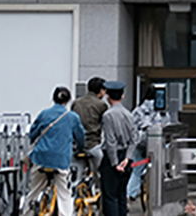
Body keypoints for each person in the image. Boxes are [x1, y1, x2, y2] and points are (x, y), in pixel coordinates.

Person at [26, 87, 87, 216]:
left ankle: (27, 211)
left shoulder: (44, 114)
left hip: (40, 157)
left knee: (34, 190)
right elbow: (80, 136)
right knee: (64, 194)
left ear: (53, 98)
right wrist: (80, 148)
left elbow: (33, 133)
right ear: (68, 100)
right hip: (61, 160)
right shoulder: (72, 117)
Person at [99, 82, 133, 216]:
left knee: (110, 196)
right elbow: (134, 138)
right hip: (125, 156)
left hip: (112, 157)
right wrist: (128, 158)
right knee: (121, 194)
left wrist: (114, 163)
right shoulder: (128, 114)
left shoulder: (108, 115)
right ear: (122, 96)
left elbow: (110, 141)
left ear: (108, 97)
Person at [127, 96, 166, 201]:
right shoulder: (161, 110)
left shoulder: (139, 109)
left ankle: (130, 193)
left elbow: (131, 126)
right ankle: (158, 194)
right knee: (159, 168)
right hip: (156, 144)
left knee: (136, 171)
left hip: (138, 143)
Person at [71, 78, 108, 174]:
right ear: (101, 91)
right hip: (93, 144)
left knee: (76, 174)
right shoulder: (101, 105)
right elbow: (106, 124)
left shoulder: (76, 102)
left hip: (76, 146)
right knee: (100, 173)